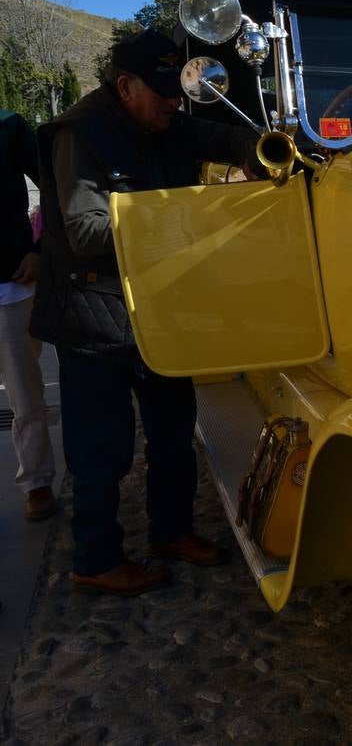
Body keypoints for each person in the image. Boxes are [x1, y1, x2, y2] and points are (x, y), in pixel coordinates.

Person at [32, 29, 258, 596]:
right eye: (161, 92)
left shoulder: (168, 118)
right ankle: (96, 558)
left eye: (178, 91)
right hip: (92, 317)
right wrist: (187, 220)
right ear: (124, 85)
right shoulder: (79, 135)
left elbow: (225, 137)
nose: (175, 103)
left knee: (173, 427)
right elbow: (84, 232)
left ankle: (171, 532)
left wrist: (260, 151)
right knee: (100, 447)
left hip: (158, 308)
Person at [0, 110, 55, 521]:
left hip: (10, 286)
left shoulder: (9, 127)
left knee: (25, 395)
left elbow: (54, 188)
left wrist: (40, 251)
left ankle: (36, 482)